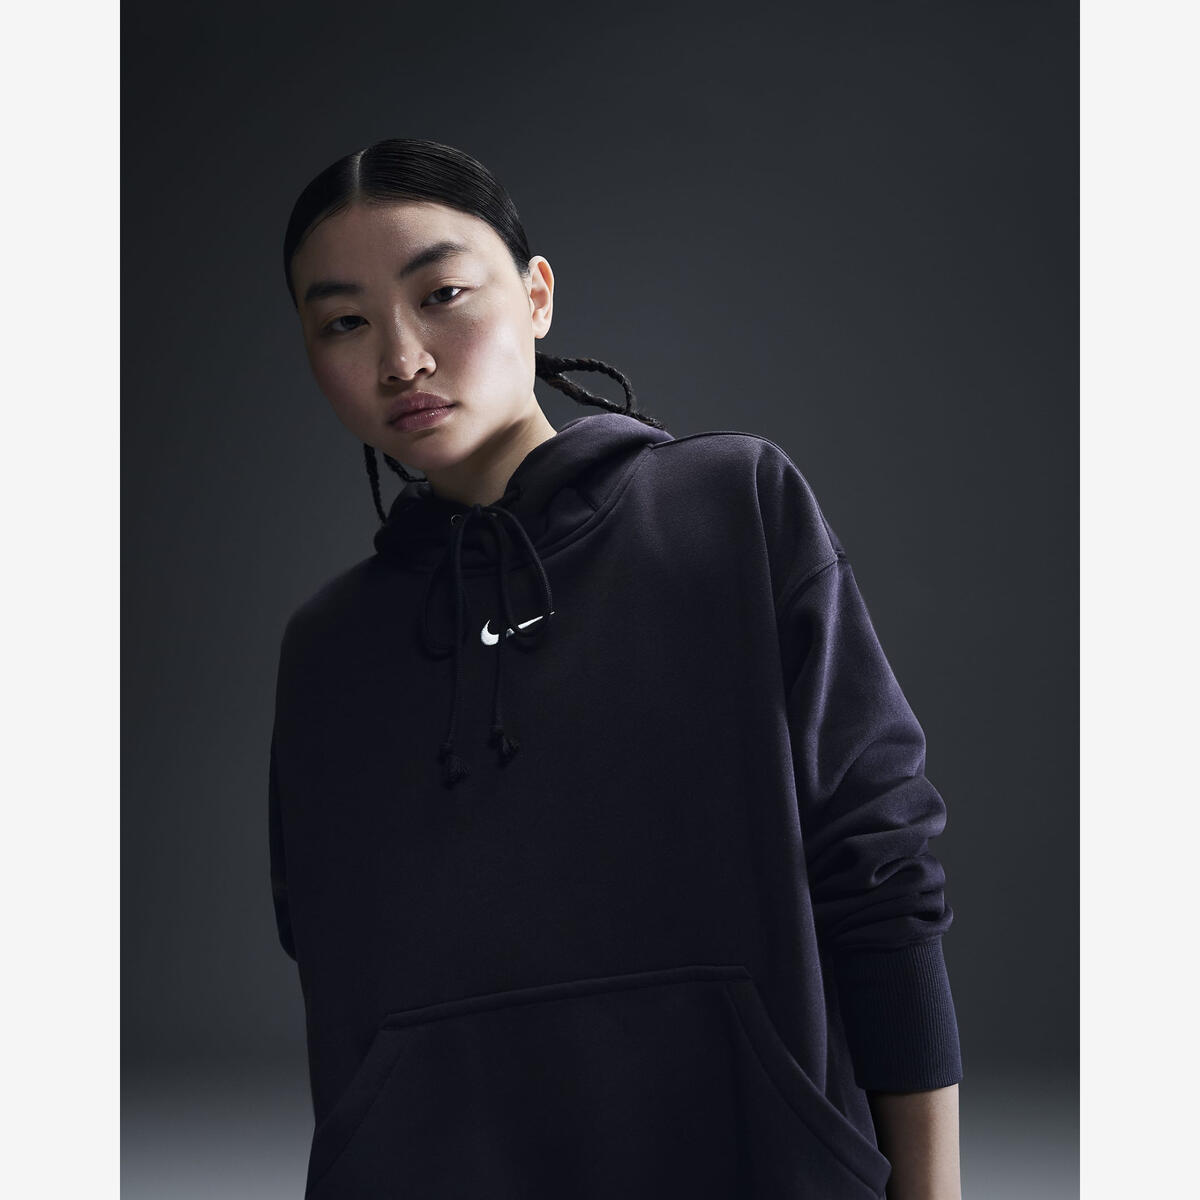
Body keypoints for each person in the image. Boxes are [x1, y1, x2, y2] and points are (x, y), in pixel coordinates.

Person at [268, 136, 964, 1199]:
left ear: (536, 295)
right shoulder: (330, 647)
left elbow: (880, 872)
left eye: (442, 295)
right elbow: (339, 984)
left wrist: (930, 1189)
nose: (402, 358)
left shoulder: (733, 512)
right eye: (345, 323)